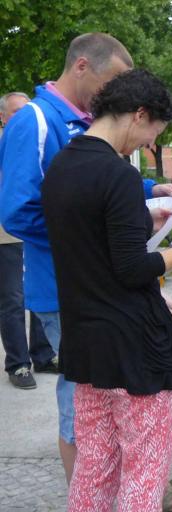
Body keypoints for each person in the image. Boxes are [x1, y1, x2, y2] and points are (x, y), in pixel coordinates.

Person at [0, 32, 172, 512]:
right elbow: (20, 211)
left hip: (92, 289)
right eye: (112, 81)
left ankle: (102, 505)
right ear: (82, 67)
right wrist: (104, 239)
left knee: (99, 428)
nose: (115, 93)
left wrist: (142, 198)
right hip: (73, 289)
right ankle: (124, 499)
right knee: (90, 421)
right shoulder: (35, 120)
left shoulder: (81, 134)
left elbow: (90, 196)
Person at [41, 68, 172, 512]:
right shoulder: (117, 174)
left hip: (86, 348)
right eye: (153, 133)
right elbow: (132, 268)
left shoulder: (61, 167)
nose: (149, 143)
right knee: (143, 476)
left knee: (93, 471)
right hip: (136, 350)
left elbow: (93, 248)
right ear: (139, 114)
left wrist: (142, 220)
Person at [0, 91, 58, 389]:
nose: (22, 116)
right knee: (12, 299)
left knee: (38, 295)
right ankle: (18, 364)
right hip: (6, 235)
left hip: (36, 231)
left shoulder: (37, 137)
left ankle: (44, 355)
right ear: (2, 117)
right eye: (15, 111)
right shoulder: (8, 142)